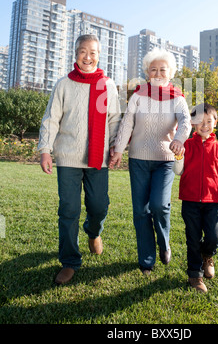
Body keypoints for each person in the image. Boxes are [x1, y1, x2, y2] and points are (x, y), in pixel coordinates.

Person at [38, 34, 121, 285]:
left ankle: (94, 232)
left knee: (99, 206)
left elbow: (115, 120)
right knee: (69, 210)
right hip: (67, 157)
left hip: (99, 159)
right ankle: (70, 261)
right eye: (83, 51)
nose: (88, 56)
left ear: (99, 55)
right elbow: (51, 118)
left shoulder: (107, 85)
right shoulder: (64, 84)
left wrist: (116, 148)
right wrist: (45, 149)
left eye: (93, 52)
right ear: (76, 54)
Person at [109, 48, 191, 275]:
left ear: (170, 72)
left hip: (164, 160)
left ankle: (164, 243)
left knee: (159, 205)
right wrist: (117, 150)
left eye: (162, 69)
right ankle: (146, 260)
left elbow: (186, 122)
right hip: (138, 159)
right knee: (140, 211)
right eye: (153, 69)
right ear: (146, 72)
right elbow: (127, 124)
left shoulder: (178, 97)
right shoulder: (138, 95)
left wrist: (179, 139)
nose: (158, 73)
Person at [173, 102, 218, 293]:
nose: (204, 125)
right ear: (192, 123)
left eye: (209, 121)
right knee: (192, 238)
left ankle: (208, 255)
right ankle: (195, 275)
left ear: (215, 122)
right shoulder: (186, 145)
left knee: (214, 237)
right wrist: (178, 156)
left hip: (211, 202)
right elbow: (178, 171)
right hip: (190, 201)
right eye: (199, 121)